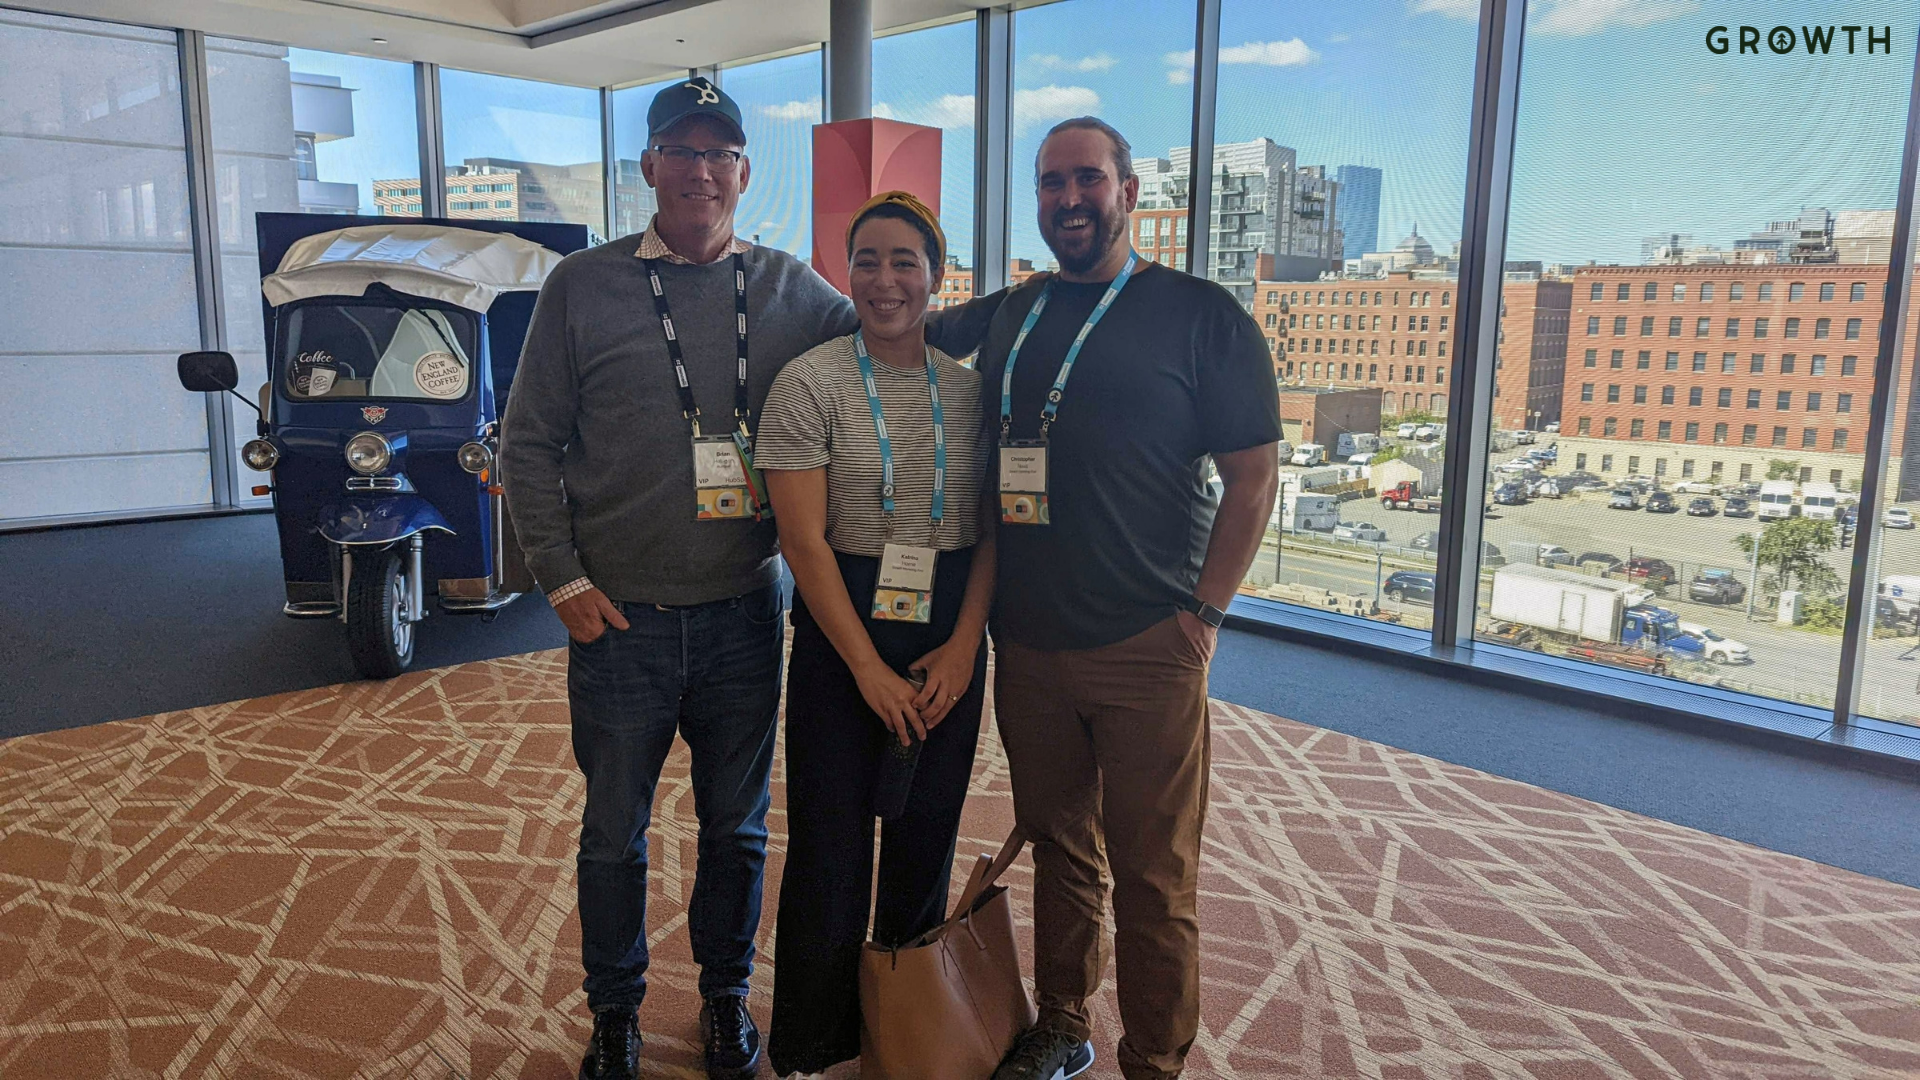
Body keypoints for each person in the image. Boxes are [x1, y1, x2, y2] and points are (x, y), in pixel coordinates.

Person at [499, 80, 1006, 1080]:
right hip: (620, 622)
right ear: (647, 166)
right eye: (677, 149)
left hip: (743, 613)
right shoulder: (582, 286)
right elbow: (525, 444)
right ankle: (615, 1012)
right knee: (613, 836)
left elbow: (895, 323)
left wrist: (1032, 313)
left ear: (742, 171)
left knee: (736, 830)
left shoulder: (792, 292)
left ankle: (728, 999)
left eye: (718, 152)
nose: (698, 168)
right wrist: (559, 580)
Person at [981, 117, 1281, 1080]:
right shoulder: (1011, 313)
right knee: (1060, 846)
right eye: (1050, 183)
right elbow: (888, 308)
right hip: (1026, 645)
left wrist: (1205, 617)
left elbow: (1254, 479)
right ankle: (1064, 1021)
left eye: (1087, 180)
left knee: (1157, 875)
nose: (1068, 200)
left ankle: (1155, 1057)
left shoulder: (1202, 315)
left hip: (1150, 644)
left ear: (1129, 192)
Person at [750, 191, 1002, 1078]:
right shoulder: (810, 382)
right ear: (845, 270)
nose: (885, 280)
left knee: (927, 835)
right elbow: (802, 542)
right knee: (830, 844)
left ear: (937, 276)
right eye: (868, 260)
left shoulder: (973, 394)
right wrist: (865, 668)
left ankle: (907, 1029)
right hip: (839, 632)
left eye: (905, 261)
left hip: (946, 636)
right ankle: (817, 1044)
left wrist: (967, 644)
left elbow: (991, 530)